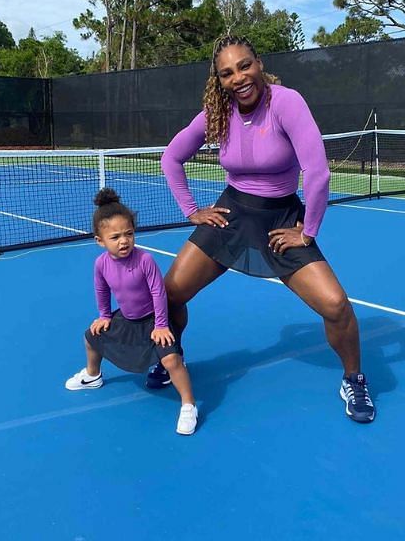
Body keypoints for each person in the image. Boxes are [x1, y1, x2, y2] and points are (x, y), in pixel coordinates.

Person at [156, 34, 375, 423]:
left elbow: (318, 173)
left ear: (259, 64)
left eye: (244, 66)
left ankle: (353, 378)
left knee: (336, 306)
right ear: (218, 80)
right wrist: (192, 210)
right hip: (231, 214)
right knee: (170, 292)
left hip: (280, 220)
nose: (238, 78)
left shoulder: (286, 102)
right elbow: (171, 158)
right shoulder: (216, 114)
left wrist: (307, 231)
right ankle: (171, 358)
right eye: (227, 73)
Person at [64, 189, 199, 435]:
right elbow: (101, 290)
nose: (124, 241)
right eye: (115, 237)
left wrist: (161, 325)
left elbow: (159, 293)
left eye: (129, 234)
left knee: (171, 360)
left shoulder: (145, 260)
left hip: (153, 319)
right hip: (126, 319)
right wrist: (104, 315)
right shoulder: (101, 264)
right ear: (100, 241)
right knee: (90, 337)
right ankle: (93, 375)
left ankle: (188, 405)